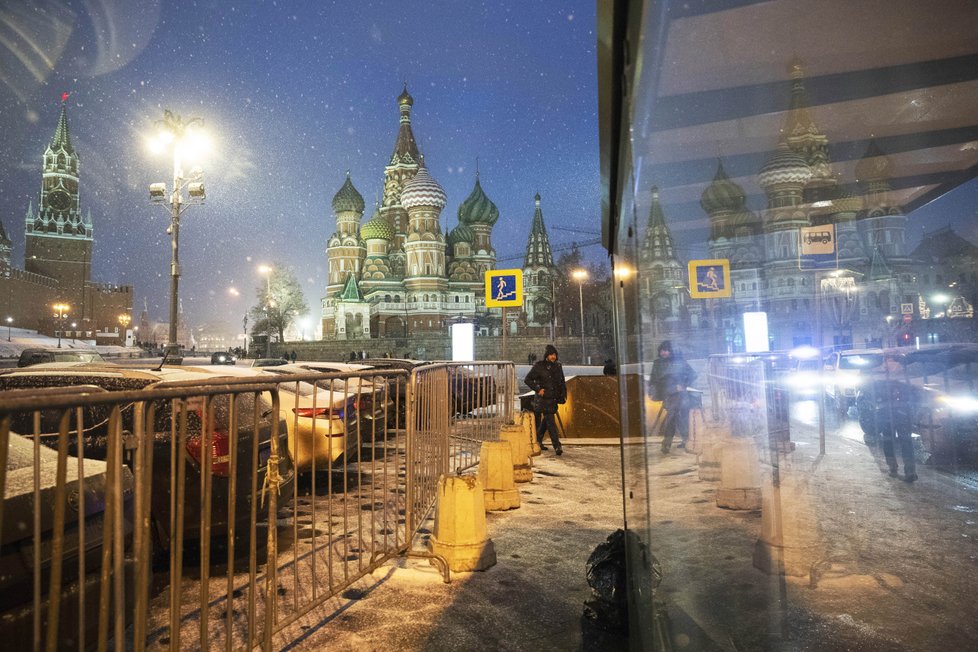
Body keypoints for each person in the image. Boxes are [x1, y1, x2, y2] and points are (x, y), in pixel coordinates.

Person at [865, 356, 918, 482]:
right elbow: (911, 390)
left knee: (888, 439)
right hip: (902, 411)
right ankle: (910, 470)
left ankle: (893, 468)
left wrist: (876, 403)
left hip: (884, 410)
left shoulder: (877, 371)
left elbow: (870, 391)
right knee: (906, 440)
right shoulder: (903, 370)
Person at [649, 340, 696, 453]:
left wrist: (683, 385)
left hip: (678, 394)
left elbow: (693, 374)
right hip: (667, 394)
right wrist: (652, 392)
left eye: (666, 350)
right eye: (662, 350)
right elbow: (653, 379)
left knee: (673, 417)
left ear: (670, 351)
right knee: (677, 417)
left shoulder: (679, 362)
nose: (663, 353)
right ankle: (686, 440)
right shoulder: (657, 363)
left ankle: (667, 443)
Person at [524, 344, 567, 456]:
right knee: (550, 421)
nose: (553, 357)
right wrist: (538, 389)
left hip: (553, 398)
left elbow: (561, 381)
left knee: (547, 421)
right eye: (551, 354)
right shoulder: (539, 366)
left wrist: (563, 395)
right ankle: (557, 445)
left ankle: (538, 439)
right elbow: (528, 380)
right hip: (543, 398)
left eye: (555, 355)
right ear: (546, 355)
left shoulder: (558, 366)